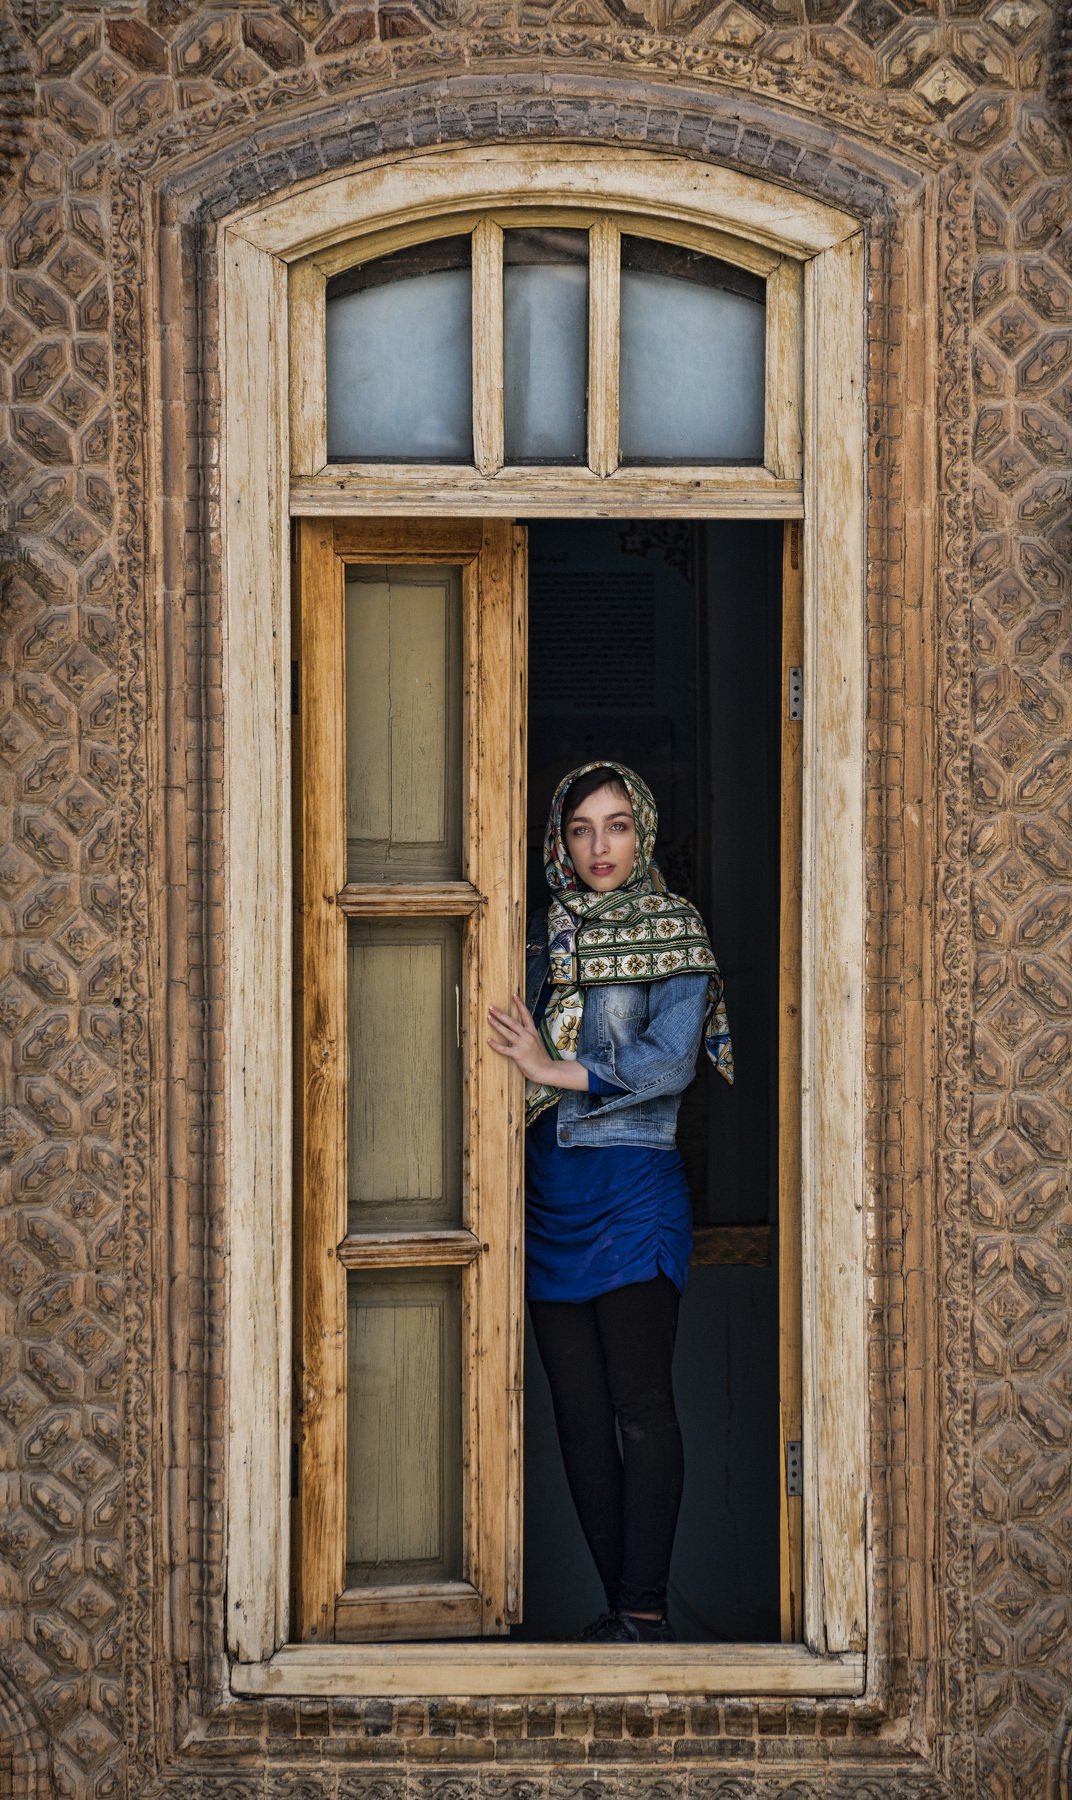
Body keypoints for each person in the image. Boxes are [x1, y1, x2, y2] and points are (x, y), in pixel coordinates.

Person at [488, 761, 733, 1644]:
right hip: (544, 1196)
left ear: (644, 833)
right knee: (579, 1417)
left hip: (633, 1190)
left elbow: (670, 1063)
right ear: (559, 839)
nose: (601, 846)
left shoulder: (675, 928)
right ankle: (617, 1611)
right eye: (582, 828)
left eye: (618, 825)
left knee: (639, 1405)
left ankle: (645, 1609)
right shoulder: (531, 938)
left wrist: (550, 1068)